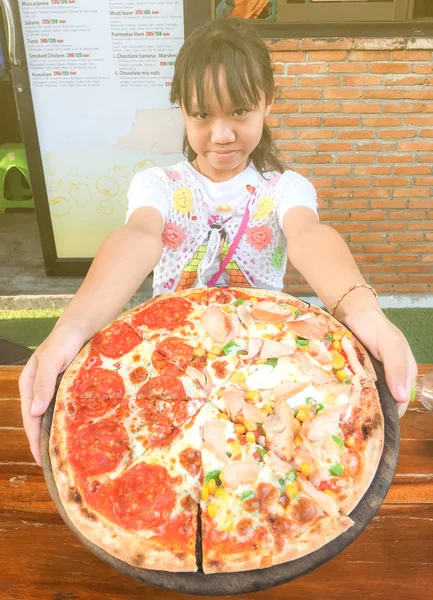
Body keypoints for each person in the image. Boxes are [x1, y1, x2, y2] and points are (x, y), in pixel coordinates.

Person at [19, 18, 417, 467]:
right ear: (182, 111)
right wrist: (70, 329)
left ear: (268, 102)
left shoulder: (284, 188)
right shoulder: (159, 185)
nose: (222, 133)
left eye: (240, 111)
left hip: (262, 365)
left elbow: (309, 236)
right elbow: (138, 238)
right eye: (202, 115)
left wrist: (362, 309)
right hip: (166, 362)